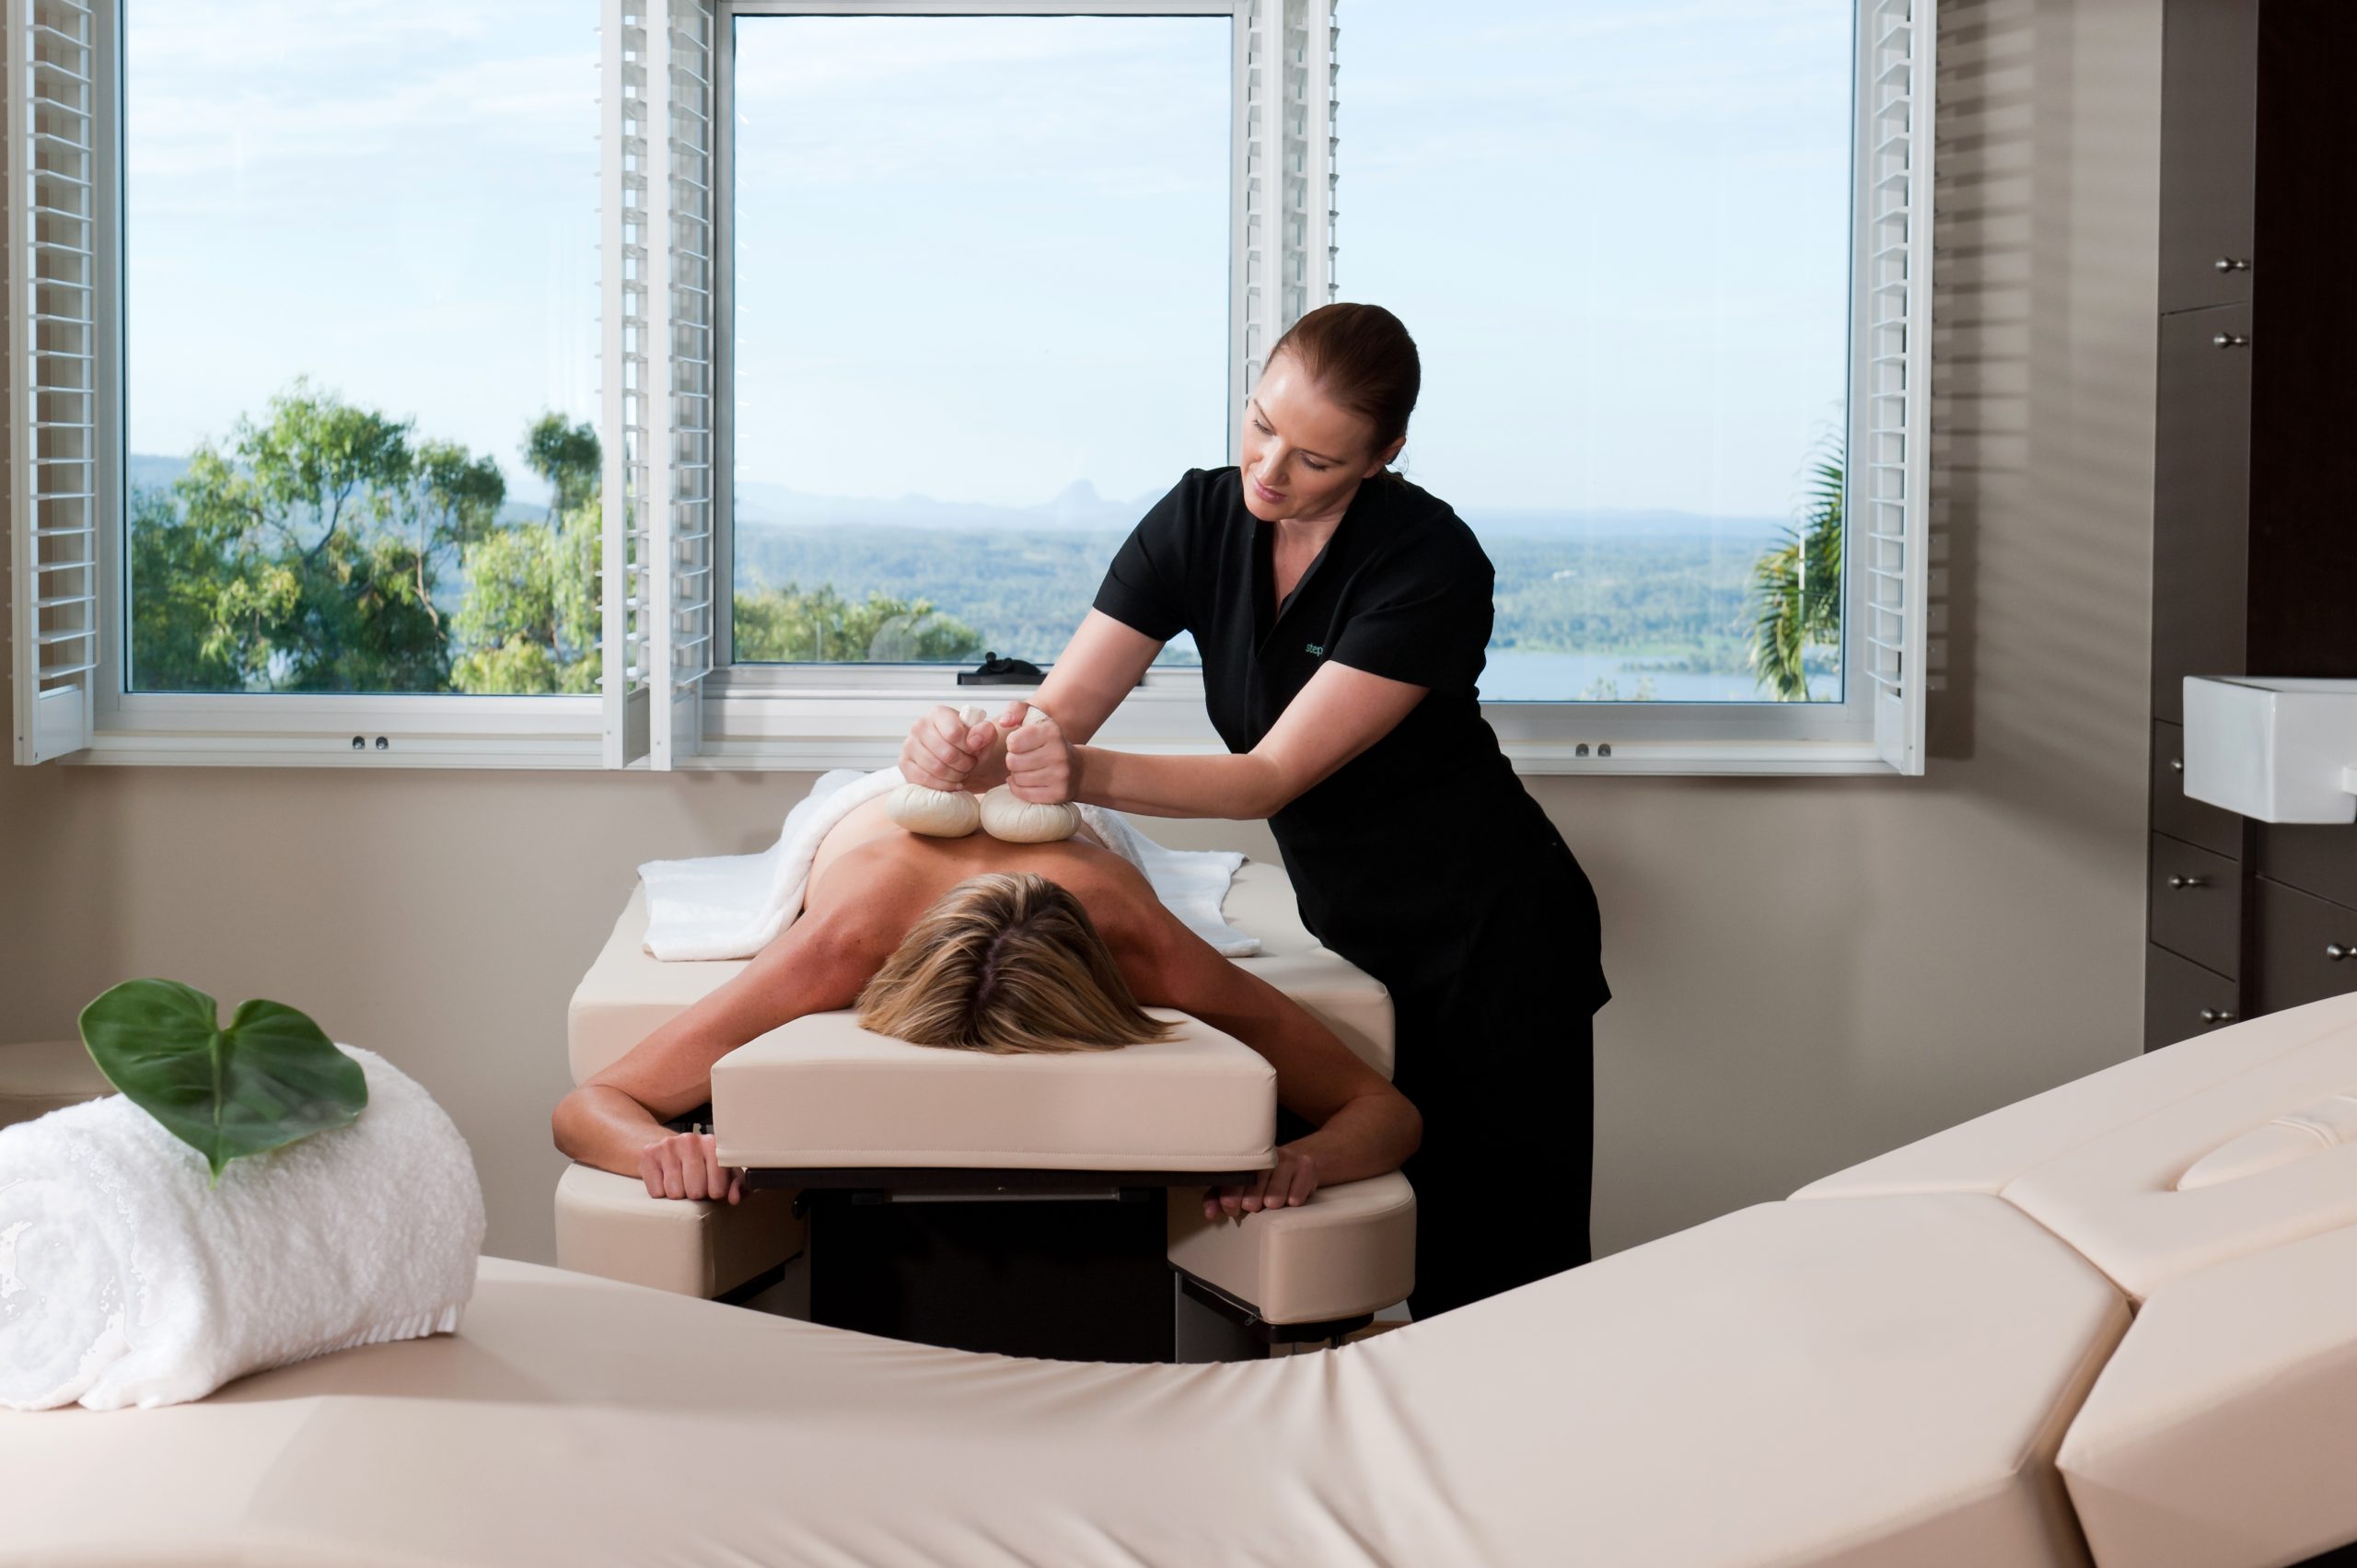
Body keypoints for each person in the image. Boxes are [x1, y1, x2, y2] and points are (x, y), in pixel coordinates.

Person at [897, 302, 1608, 1319]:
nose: (1270, 469)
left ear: (1383, 457)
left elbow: (1269, 777)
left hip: (1493, 937)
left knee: (1498, 1277)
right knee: (1373, 1232)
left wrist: (1074, 771)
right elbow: (1058, 713)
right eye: (1261, 423)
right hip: (1356, 928)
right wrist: (971, 755)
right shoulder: (1198, 519)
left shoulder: (1430, 562)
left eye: (1315, 459)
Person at [551, 789, 1421, 1221]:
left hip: (1071, 822)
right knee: (925, 791)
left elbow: (1386, 1110)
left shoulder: (1146, 946)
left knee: (1036, 805)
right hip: (875, 801)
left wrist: (1308, 1161)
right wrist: (661, 1151)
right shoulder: (842, 944)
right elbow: (590, 1105)